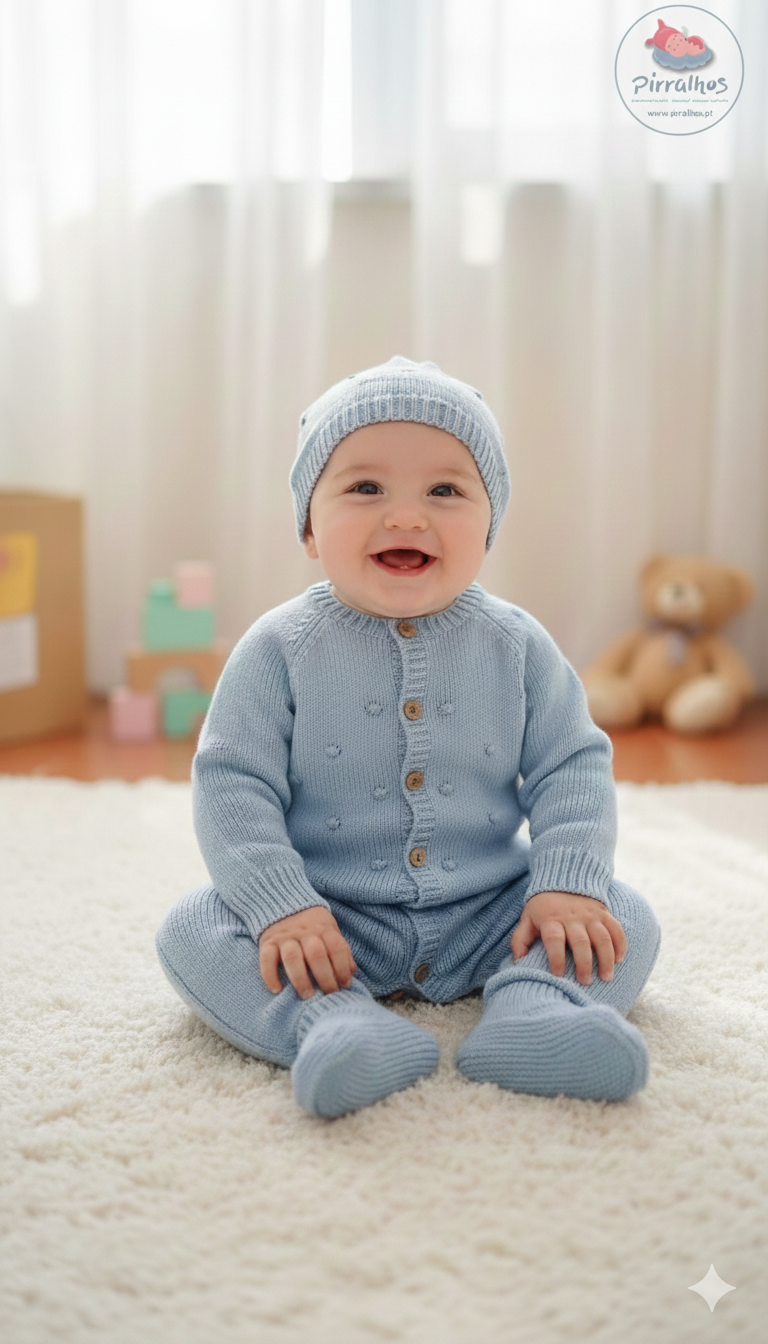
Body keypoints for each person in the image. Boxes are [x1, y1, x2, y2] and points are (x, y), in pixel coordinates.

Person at [155, 356, 661, 1118]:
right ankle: (336, 1024)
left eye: (445, 491)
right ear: (308, 528)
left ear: (489, 527)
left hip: (490, 913)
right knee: (193, 928)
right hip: (329, 919)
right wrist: (283, 907)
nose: (405, 516)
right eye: (365, 488)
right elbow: (233, 783)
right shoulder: (278, 648)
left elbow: (572, 765)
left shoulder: (516, 644)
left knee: (622, 915)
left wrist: (562, 884)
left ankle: (535, 1011)